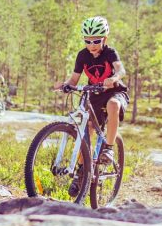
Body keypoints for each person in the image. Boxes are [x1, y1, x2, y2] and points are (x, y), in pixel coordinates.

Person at [54, 16, 129, 165]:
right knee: (86, 130)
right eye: (88, 41)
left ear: (104, 39)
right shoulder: (82, 56)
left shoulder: (110, 53)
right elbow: (74, 80)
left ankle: (109, 148)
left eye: (96, 41)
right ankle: (82, 172)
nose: (92, 45)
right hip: (95, 94)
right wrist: (64, 85)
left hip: (114, 92)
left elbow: (121, 70)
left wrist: (113, 78)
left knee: (113, 104)